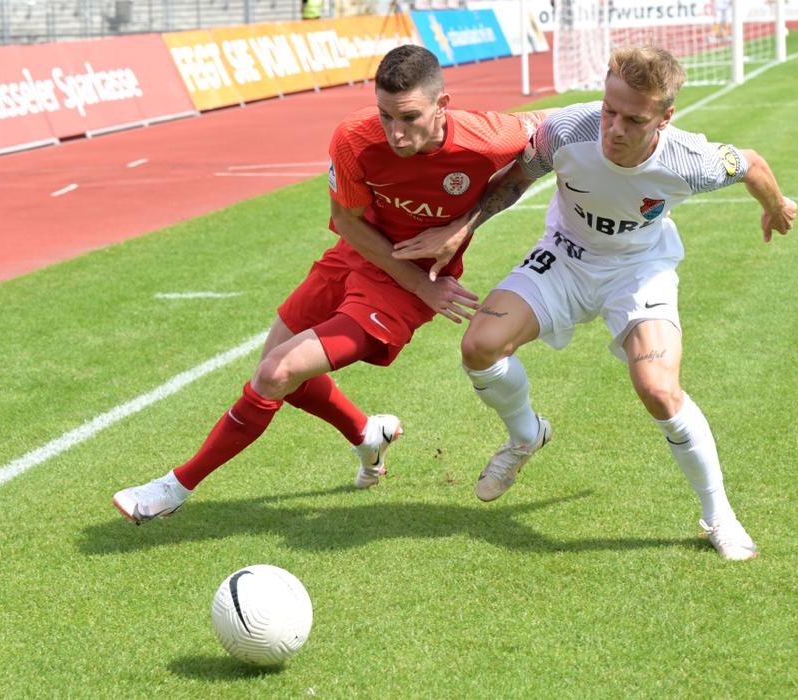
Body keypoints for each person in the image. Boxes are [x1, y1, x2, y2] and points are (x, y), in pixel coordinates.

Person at [112, 44, 549, 524]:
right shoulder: (355, 138)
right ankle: (367, 433)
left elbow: (558, 128)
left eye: (409, 117)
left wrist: (460, 230)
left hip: (406, 288)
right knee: (278, 377)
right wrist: (419, 281)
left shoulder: (487, 135)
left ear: (442, 105)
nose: (396, 133)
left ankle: (174, 487)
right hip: (360, 256)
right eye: (386, 116)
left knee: (276, 373)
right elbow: (345, 220)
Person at [392, 44, 797, 560]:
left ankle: (719, 515)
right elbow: (516, 180)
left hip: (638, 271)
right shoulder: (566, 129)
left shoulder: (689, 161)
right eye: (609, 110)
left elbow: (751, 164)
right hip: (564, 256)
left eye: (634, 119)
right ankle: (526, 435)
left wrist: (776, 207)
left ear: (664, 118)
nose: (614, 128)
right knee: (479, 346)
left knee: (658, 389)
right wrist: (461, 228)